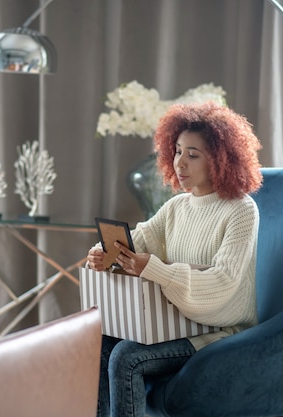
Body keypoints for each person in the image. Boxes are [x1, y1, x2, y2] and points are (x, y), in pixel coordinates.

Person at [86, 102, 263, 417]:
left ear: (222, 160)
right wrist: (103, 252)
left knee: (127, 355)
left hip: (217, 330)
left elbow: (223, 283)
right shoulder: (177, 207)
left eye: (193, 155)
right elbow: (138, 239)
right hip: (174, 323)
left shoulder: (241, 210)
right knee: (102, 341)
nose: (181, 163)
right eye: (178, 151)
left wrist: (153, 269)